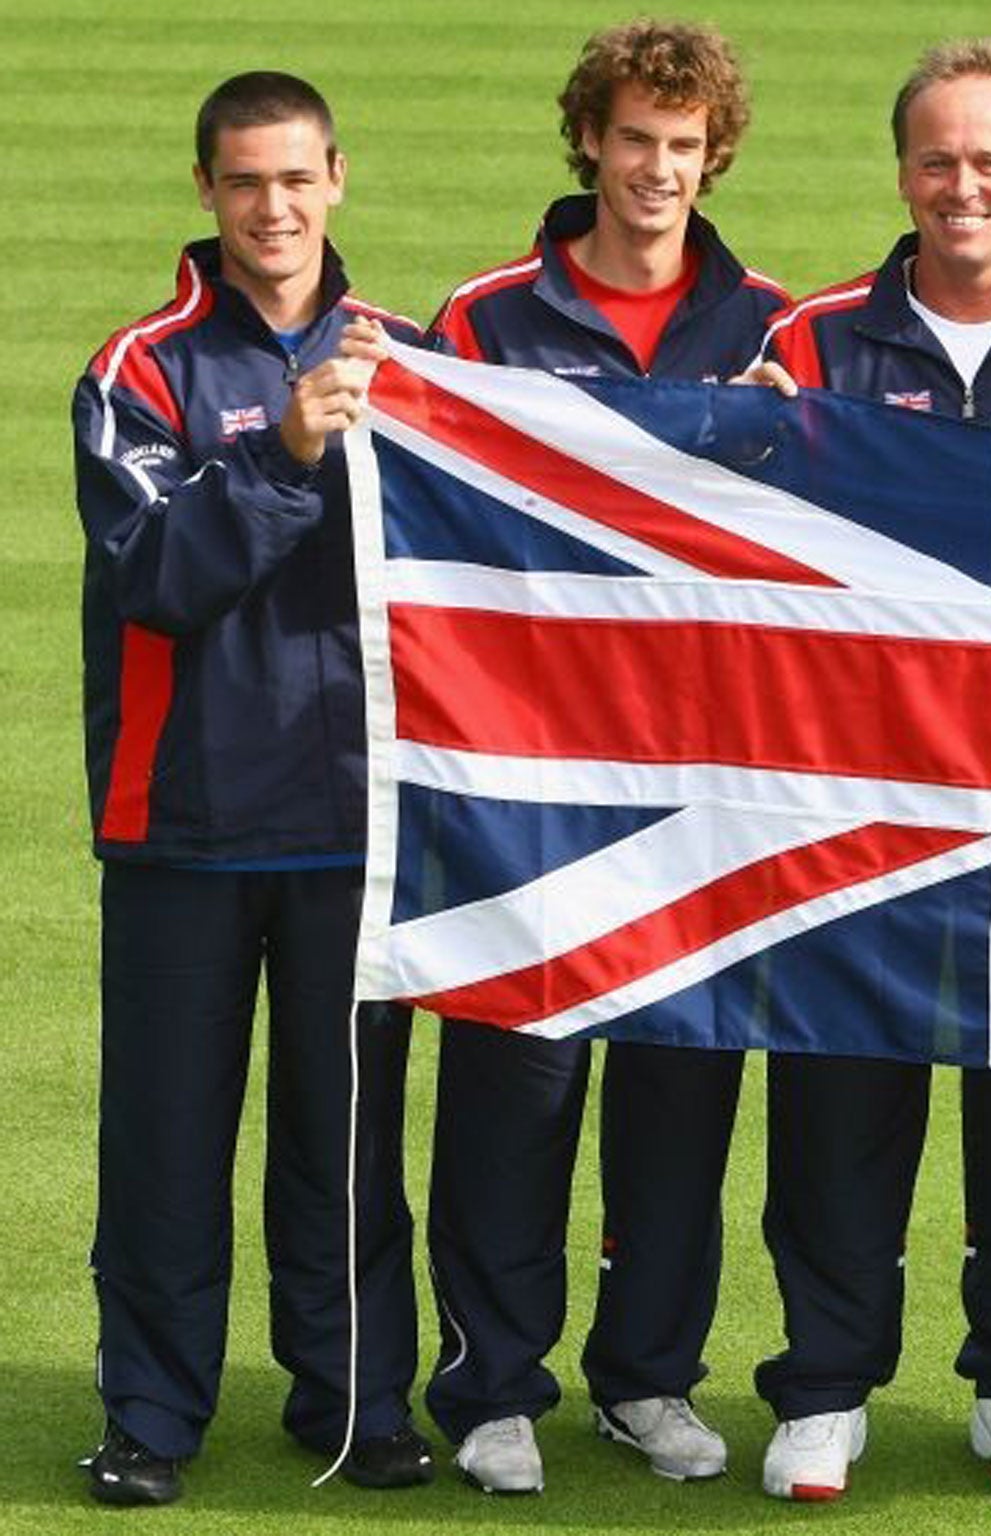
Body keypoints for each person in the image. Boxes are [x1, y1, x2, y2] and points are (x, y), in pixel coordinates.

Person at [740, 37, 991, 1504]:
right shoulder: (814, 343)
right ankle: (826, 1381)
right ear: (900, 172)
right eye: (935, 159)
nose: (962, 186)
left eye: (990, 159)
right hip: (860, 790)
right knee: (841, 1086)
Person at [421, 19, 787, 1496]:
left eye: (683, 146)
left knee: (681, 1089)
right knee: (514, 1083)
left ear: (714, 157)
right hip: (526, 773)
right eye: (634, 138)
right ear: (589, 141)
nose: (656, 169)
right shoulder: (483, 318)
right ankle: (493, 1383)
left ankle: (647, 1375)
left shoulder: (770, 328)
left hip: (706, 773)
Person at [73, 71, 430, 1506]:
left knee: (345, 1149)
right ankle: (153, 1418)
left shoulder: (413, 362)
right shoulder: (137, 370)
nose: (272, 208)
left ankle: (355, 1403)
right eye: (243, 182)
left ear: (337, 177)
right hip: (185, 824)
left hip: (361, 826)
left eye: (295, 178)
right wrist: (288, 449)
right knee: (164, 1143)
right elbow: (158, 578)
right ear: (208, 192)